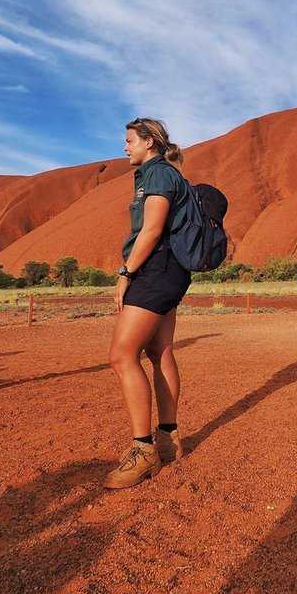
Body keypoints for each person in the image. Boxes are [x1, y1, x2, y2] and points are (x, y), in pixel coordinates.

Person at [103, 118, 191, 489]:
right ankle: (168, 439)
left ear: (149, 142)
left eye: (128, 141)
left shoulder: (157, 174)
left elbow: (152, 229)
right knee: (161, 351)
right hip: (170, 270)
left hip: (155, 270)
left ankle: (143, 451)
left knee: (122, 356)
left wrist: (125, 272)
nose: (125, 147)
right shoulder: (166, 174)